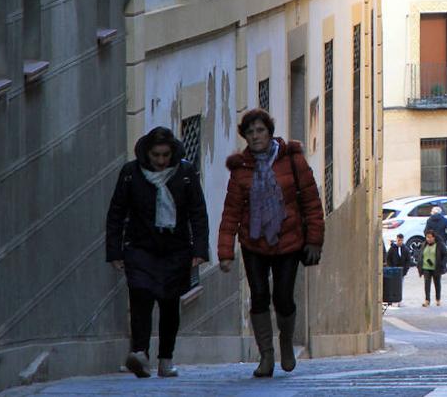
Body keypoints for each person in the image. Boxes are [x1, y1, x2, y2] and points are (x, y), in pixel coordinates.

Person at [218, 108, 324, 378]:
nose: (256, 136)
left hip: (288, 240)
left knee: (284, 298)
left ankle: (286, 341)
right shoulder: (241, 169)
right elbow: (231, 211)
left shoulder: (292, 160)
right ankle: (266, 355)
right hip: (253, 242)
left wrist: (314, 240)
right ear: (245, 136)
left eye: (260, 130)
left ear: (269, 132)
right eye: (250, 132)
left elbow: (311, 202)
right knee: (259, 296)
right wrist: (225, 251)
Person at [105, 127, 209, 378]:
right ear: (147, 153)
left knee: (169, 303)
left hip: (176, 248)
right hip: (140, 247)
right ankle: (140, 353)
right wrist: (115, 251)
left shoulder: (185, 173)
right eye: (156, 155)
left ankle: (166, 358)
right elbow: (116, 213)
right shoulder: (131, 174)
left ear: (172, 152)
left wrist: (199, 250)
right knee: (140, 297)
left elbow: (198, 212)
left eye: (165, 155)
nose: (161, 161)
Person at [418, 229, 447, 307]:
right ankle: (427, 300)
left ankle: (438, 299)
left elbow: (446, 255)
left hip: (436, 267)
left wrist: (442, 264)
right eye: (427, 237)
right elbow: (420, 255)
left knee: (437, 284)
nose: (428, 239)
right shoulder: (424, 244)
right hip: (426, 267)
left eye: (430, 237)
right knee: (427, 284)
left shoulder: (439, 245)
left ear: (434, 237)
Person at [384, 233, 412, 307]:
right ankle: (392, 300)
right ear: (396, 240)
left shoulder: (405, 249)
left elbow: (408, 260)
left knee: (400, 285)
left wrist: (405, 270)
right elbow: (388, 258)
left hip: (401, 271)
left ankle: (399, 300)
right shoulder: (392, 248)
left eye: (401, 240)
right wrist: (390, 267)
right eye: (398, 240)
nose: (400, 242)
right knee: (392, 285)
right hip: (393, 270)